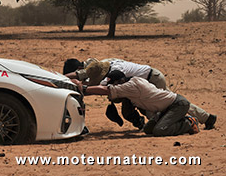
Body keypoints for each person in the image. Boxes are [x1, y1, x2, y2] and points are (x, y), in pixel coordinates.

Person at [66, 58, 217, 130]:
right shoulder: (100, 65)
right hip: (139, 87)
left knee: (165, 104)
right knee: (160, 105)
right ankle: (146, 124)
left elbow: (103, 89)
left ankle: (200, 118)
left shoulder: (115, 73)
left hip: (152, 79)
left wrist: (82, 89)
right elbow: (82, 75)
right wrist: (64, 78)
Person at [78, 70, 200, 137]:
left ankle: (188, 123)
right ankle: (178, 120)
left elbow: (106, 90)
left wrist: (83, 88)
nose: (114, 87)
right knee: (148, 129)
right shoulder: (134, 81)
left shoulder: (131, 86)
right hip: (166, 108)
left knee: (160, 130)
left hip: (177, 105)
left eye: (114, 84)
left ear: (121, 81)